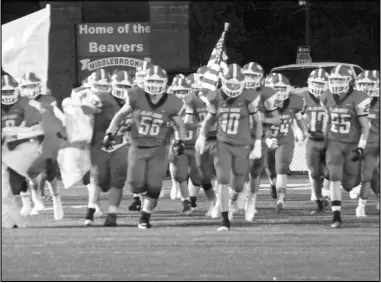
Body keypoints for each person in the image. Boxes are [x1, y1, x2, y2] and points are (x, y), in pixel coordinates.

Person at [104, 65, 186, 229]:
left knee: (154, 186)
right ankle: (143, 199)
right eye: (151, 81)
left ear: (164, 83)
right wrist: (110, 133)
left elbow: (179, 124)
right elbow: (121, 114)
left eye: (158, 82)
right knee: (135, 184)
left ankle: (145, 217)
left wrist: (180, 140)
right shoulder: (136, 96)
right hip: (137, 146)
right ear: (145, 82)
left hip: (159, 149)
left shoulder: (172, 102)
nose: (154, 85)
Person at [195, 63, 262, 231]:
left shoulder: (249, 97)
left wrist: (258, 144)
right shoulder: (215, 96)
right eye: (230, 84)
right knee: (223, 180)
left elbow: (257, 122)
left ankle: (231, 203)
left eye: (236, 85)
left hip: (243, 145)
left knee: (238, 184)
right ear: (223, 82)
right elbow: (209, 119)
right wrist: (202, 136)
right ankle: (225, 219)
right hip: (222, 143)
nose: (233, 88)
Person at [320, 65, 371, 228]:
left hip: (352, 144)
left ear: (349, 81)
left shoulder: (359, 97)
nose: (336, 83)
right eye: (333, 79)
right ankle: (336, 215)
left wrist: (361, 146)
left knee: (350, 183)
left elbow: (365, 126)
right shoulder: (326, 96)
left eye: (340, 80)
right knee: (334, 175)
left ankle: (354, 185)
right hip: (334, 142)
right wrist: (323, 142)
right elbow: (327, 121)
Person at [82, 69, 131, 227]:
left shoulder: (135, 101)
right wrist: (90, 110)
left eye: (126, 86)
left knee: (118, 181)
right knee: (98, 178)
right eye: (120, 85)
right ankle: (90, 212)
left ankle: (112, 215)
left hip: (121, 144)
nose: (123, 89)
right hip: (99, 144)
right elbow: (84, 110)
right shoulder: (103, 97)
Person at [20, 71, 65, 220]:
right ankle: (36, 199)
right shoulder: (20, 102)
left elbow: (59, 115)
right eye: (26, 86)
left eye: (33, 85)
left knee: (49, 172)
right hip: (29, 138)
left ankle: (56, 200)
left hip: (47, 137)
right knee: (28, 171)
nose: (30, 89)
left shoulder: (47, 99)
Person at [241, 62, 281, 222]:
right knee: (239, 169)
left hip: (258, 137)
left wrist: (262, 118)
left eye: (253, 76)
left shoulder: (267, 93)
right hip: (238, 137)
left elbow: (277, 119)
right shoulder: (237, 91)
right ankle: (238, 196)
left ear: (261, 78)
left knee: (255, 172)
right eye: (247, 76)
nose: (250, 79)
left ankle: (251, 200)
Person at [264, 73, 307, 214]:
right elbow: (257, 124)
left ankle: (281, 198)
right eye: (276, 88)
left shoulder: (295, 101)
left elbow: (298, 117)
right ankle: (273, 186)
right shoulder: (261, 101)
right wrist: (266, 139)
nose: (279, 92)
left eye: (282, 88)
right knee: (270, 170)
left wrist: (302, 131)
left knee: (281, 167)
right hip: (267, 138)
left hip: (285, 139)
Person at [184, 67, 217, 215]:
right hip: (202, 140)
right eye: (203, 78)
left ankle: (229, 202)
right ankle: (213, 202)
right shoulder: (192, 98)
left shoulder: (221, 96)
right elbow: (187, 122)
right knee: (203, 175)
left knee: (223, 173)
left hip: (221, 139)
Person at [349, 70, 380, 216]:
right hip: (354, 144)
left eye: (370, 84)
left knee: (368, 175)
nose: (367, 88)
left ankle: (361, 206)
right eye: (363, 84)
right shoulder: (352, 101)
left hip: (373, 144)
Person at [300, 68, 331, 214]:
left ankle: (327, 195)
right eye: (315, 83)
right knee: (314, 172)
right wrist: (299, 130)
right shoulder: (303, 97)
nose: (317, 87)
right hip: (312, 140)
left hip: (329, 140)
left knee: (329, 171)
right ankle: (319, 201)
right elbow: (295, 115)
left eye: (321, 84)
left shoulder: (332, 97)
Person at [128, 60, 154, 212]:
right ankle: (137, 198)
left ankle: (146, 195)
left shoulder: (157, 90)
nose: (143, 79)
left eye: (146, 75)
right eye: (141, 75)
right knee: (135, 166)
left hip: (154, 133)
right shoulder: (132, 91)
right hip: (135, 132)